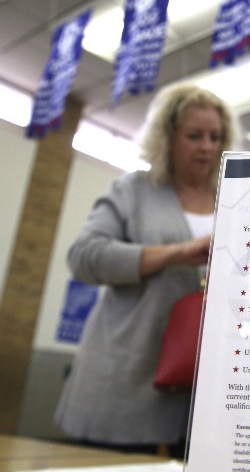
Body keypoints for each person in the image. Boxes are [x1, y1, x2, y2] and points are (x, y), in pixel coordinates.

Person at [54, 83, 239, 458]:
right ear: (167, 137)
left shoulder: (235, 200)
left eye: (215, 137)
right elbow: (84, 256)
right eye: (194, 136)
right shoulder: (133, 190)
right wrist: (176, 252)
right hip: (126, 376)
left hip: (207, 387)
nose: (206, 146)